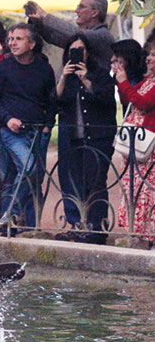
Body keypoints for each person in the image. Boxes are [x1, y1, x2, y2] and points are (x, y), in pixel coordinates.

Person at [0, 23, 56, 230]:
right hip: (12, 132)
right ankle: (9, 214)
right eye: (11, 39)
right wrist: (7, 119)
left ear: (32, 43)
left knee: (34, 180)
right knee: (29, 168)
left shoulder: (44, 68)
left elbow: (51, 99)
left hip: (38, 131)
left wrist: (47, 126)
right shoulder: (3, 67)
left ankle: (31, 227)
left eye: (18, 39)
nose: (12, 43)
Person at [53, 34, 117, 245]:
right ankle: (76, 225)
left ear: (89, 52)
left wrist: (86, 80)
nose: (78, 54)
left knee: (95, 182)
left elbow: (106, 99)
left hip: (98, 137)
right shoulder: (66, 76)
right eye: (73, 50)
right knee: (72, 180)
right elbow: (55, 101)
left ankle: (97, 228)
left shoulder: (100, 74)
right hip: (72, 137)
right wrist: (63, 77)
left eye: (81, 49)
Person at [114, 42, 155, 246]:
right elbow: (128, 98)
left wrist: (124, 83)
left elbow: (144, 104)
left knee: (146, 189)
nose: (148, 58)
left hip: (147, 143)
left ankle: (148, 232)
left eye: (153, 55)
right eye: (148, 54)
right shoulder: (148, 80)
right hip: (134, 140)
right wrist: (121, 81)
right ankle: (136, 230)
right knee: (133, 185)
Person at [25, 0, 114, 72]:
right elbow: (53, 38)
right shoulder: (81, 36)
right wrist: (37, 22)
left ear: (94, 13)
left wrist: (44, 16)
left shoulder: (104, 35)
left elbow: (75, 33)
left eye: (81, 7)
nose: (76, 10)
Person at [111, 40, 145, 113]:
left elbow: (135, 102)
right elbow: (124, 102)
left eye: (117, 58)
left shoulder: (143, 79)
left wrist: (123, 82)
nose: (112, 59)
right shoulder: (121, 76)